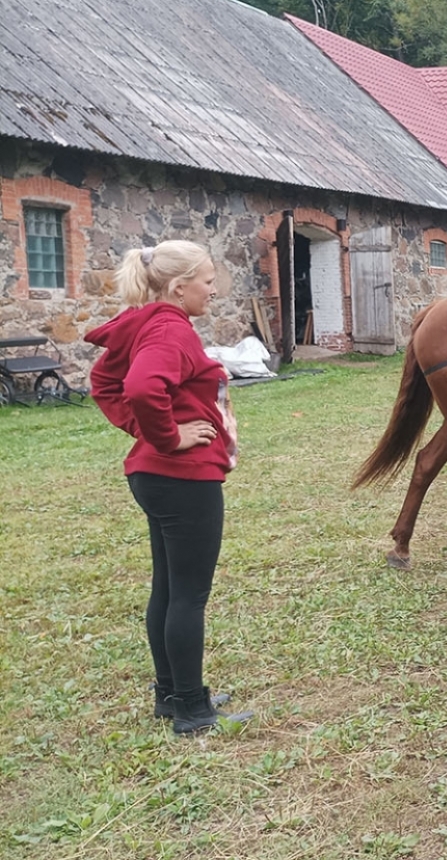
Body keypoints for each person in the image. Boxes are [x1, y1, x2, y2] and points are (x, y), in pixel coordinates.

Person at [85, 241, 254, 736]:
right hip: (182, 477)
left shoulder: (151, 324)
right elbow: (138, 387)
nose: (214, 289)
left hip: (155, 475)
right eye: (207, 280)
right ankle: (192, 713)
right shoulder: (169, 328)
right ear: (179, 288)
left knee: (170, 588)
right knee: (188, 596)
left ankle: (173, 693)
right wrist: (167, 435)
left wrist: (144, 434)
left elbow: (104, 381)